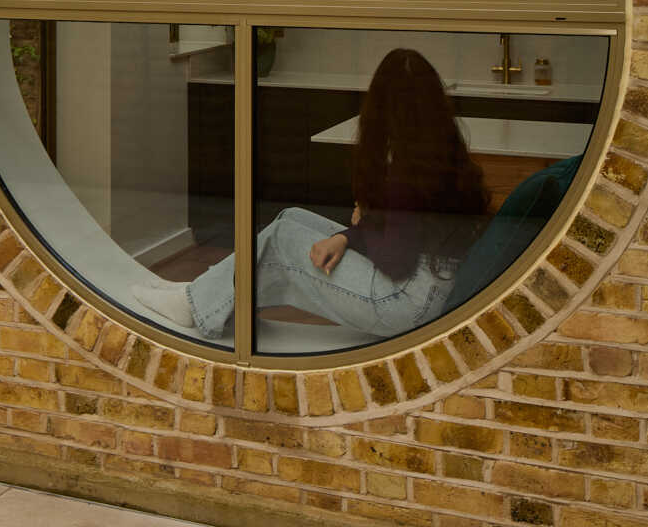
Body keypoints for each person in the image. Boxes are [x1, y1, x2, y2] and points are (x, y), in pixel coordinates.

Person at [132, 47, 490, 342]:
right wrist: (349, 233)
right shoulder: (438, 151)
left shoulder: (406, 174)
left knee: (285, 238)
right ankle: (207, 294)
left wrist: (361, 221)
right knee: (292, 218)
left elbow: (395, 262)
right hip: (426, 286)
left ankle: (195, 305)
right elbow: (400, 232)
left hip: (404, 302)